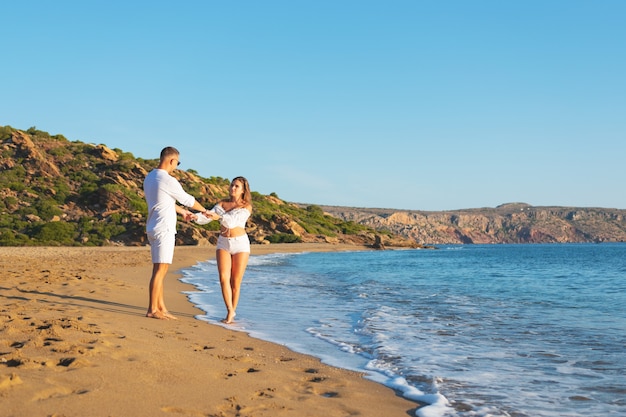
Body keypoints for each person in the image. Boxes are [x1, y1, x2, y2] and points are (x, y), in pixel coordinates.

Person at [143, 146, 211, 320]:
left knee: (161, 268)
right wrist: (205, 211)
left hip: (153, 226)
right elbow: (187, 199)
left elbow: (165, 202)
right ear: (172, 160)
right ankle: (152, 309)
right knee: (160, 270)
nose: (177, 166)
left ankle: (161, 307)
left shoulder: (150, 177)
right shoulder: (167, 179)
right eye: (177, 163)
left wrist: (182, 212)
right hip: (163, 228)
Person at [194, 176, 252, 324]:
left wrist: (217, 217)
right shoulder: (221, 204)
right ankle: (230, 310)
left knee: (235, 281)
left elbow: (232, 222)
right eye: (232, 185)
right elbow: (206, 217)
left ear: (243, 190)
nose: (233, 188)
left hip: (240, 244)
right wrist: (194, 217)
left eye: (237, 186)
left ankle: (232, 312)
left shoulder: (246, 207)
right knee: (223, 278)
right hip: (223, 243)